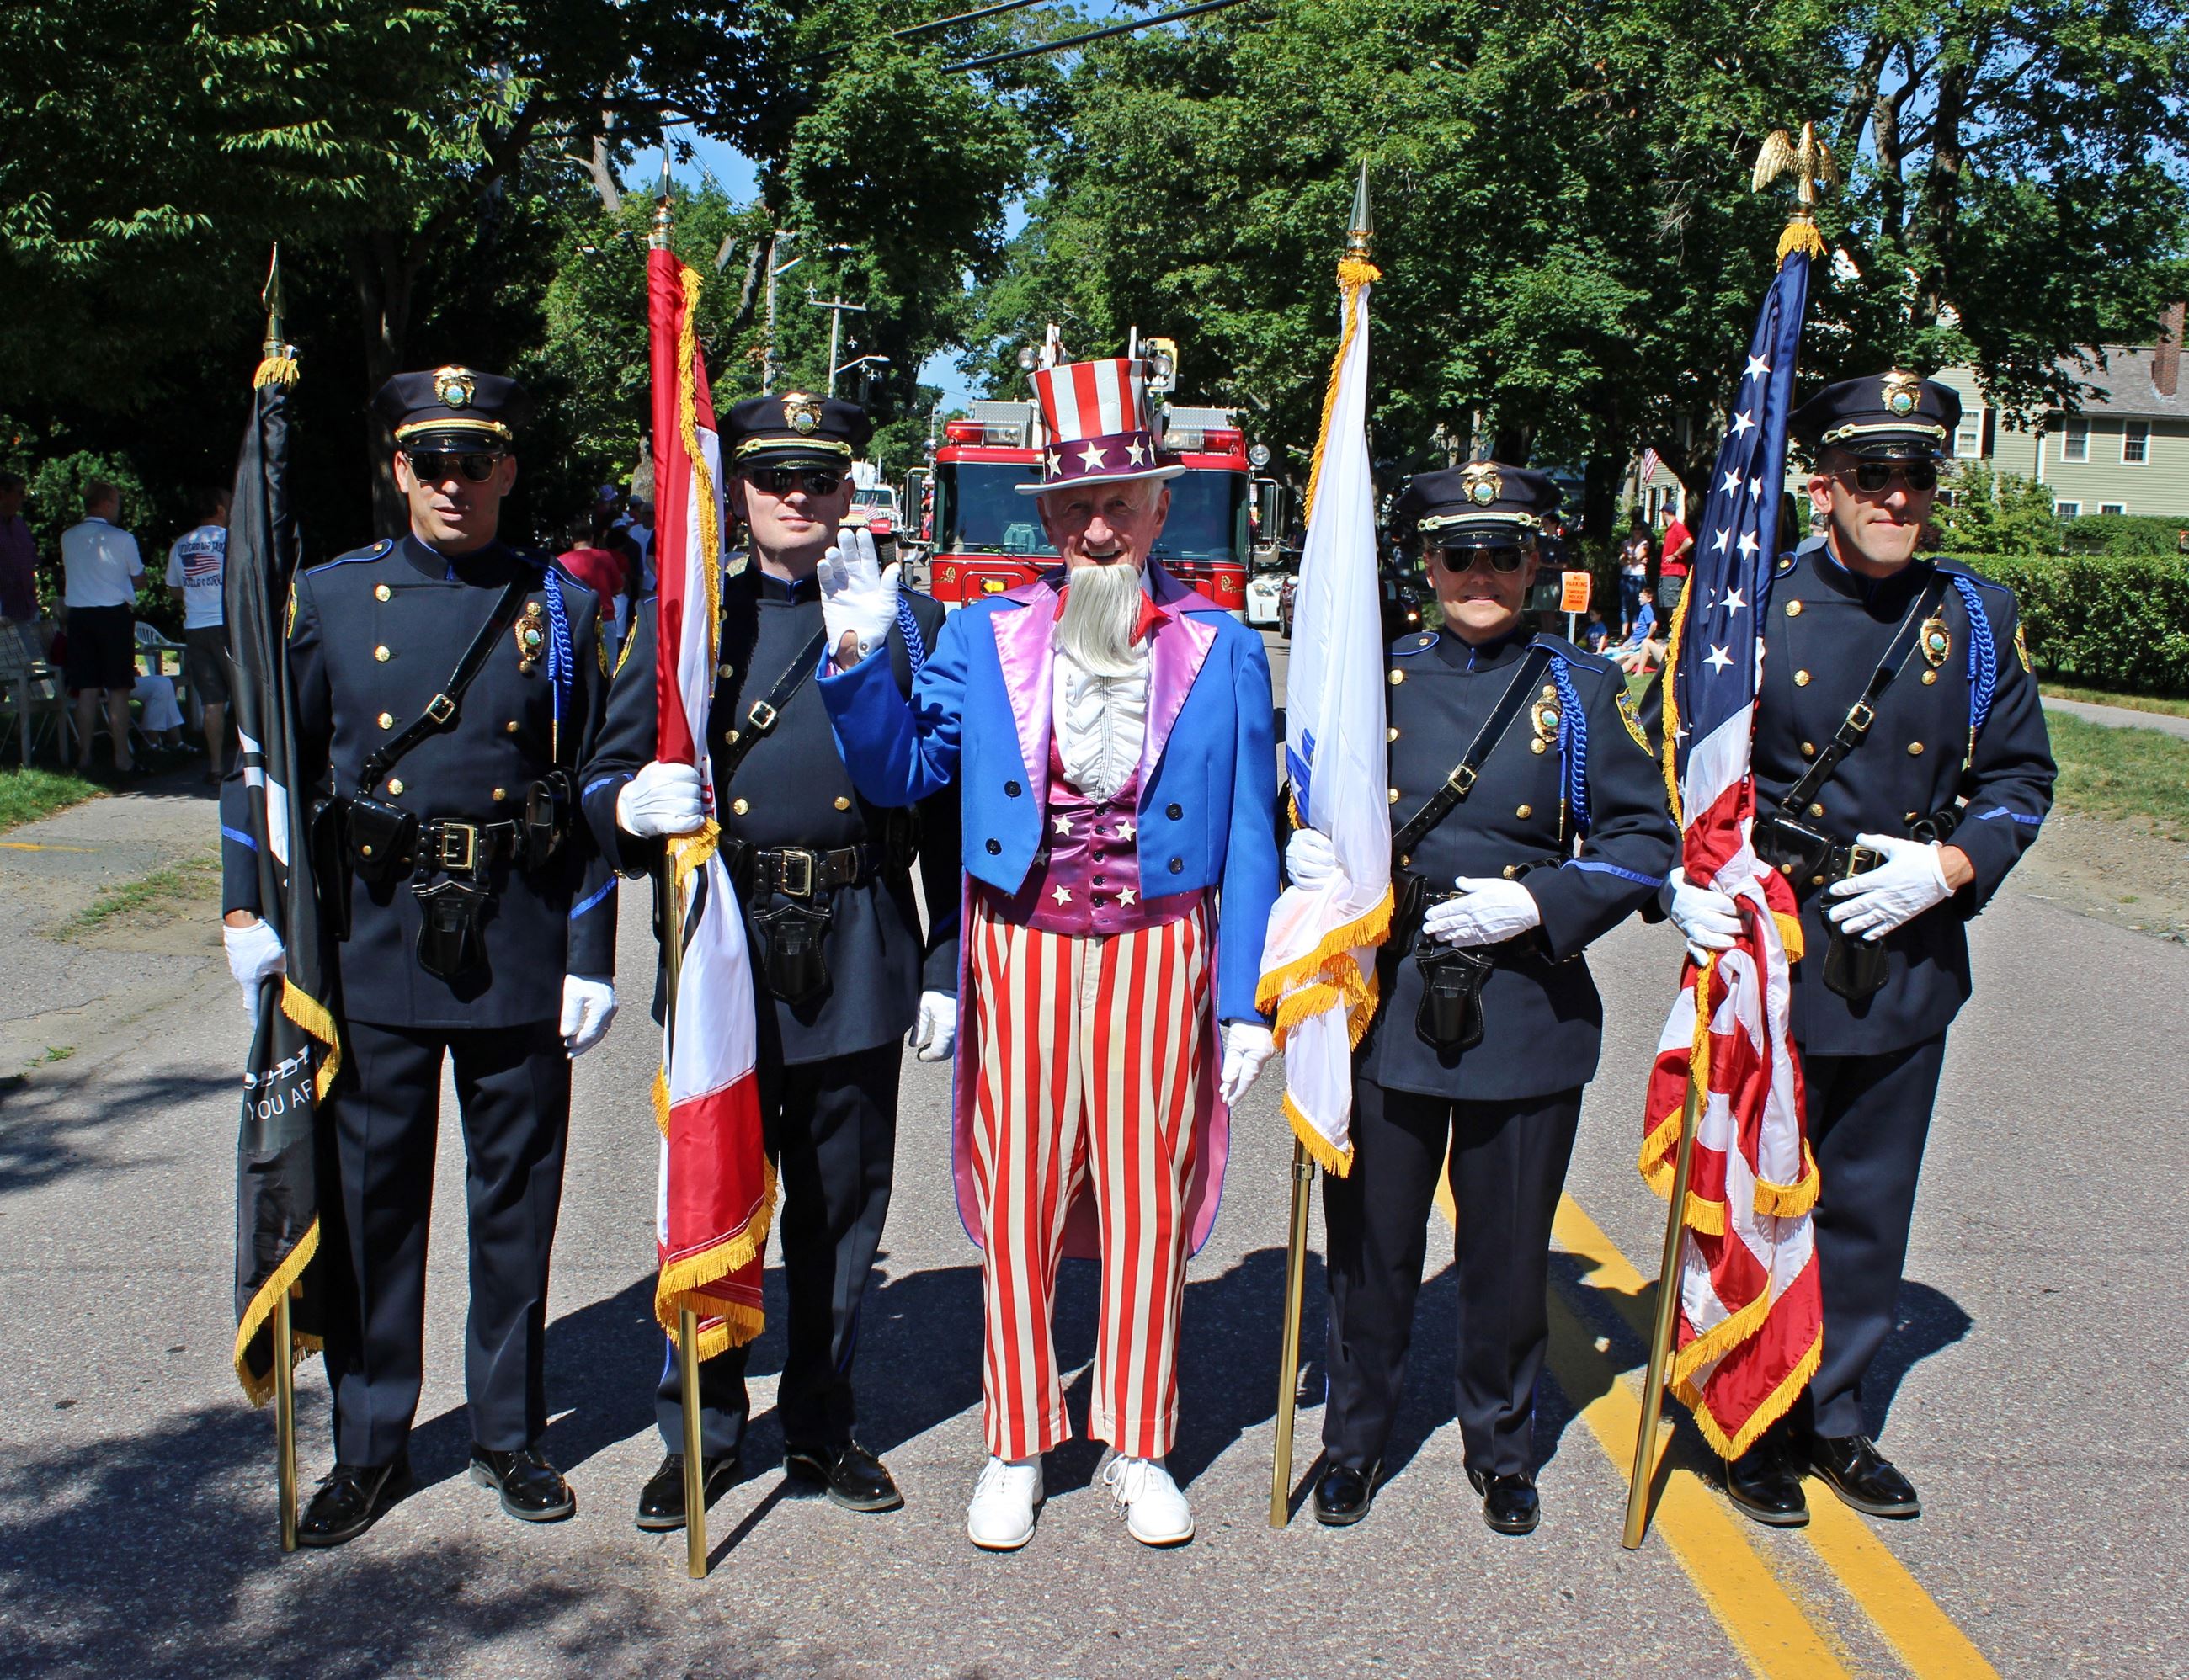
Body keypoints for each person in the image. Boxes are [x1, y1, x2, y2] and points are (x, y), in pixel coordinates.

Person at [815, 354, 1281, 1551]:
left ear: (1160, 506)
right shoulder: (982, 635)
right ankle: (1018, 1441)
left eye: (1119, 501)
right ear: (1047, 515)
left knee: (1145, 1200)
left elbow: (1246, 833)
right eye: (1074, 506)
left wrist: (1246, 1003)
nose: (1097, 527)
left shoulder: (1224, 647)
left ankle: (1136, 1438)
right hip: (1018, 950)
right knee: (1017, 1199)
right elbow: (901, 776)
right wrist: (864, 665)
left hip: (1161, 948)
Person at [217, 365, 619, 1548]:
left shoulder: (567, 607)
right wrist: (253, 907)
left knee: (514, 1200)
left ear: (507, 470)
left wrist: (590, 948)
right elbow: (264, 758)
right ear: (399, 469)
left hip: (515, 931)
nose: (453, 483)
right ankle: (373, 1442)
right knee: (373, 1202)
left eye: (475, 461)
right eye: (430, 463)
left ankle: (508, 1431)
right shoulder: (330, 602)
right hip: (374, 934)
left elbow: (596, 781)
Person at [1660, 370, 2054, 1527]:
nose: (1895, 497)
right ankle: (1749, 1419)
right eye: (1871, 477)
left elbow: (2021, 778)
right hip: (1773, 944)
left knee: (1870, 1203)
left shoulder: (1975, 619)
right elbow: (1683, 757)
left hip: (1902, 945)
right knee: (1759, 1193)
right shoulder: (1753, 611)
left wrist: (1954, 865)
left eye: (1916, 477)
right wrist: (1693, 882)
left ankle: (1835, 1418)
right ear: (1823, 487)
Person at [582, 392, 960, 1532]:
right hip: (726, 948)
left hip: (854, 936)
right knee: (713, 1193)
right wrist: (631, 814)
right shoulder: (690, 620)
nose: (799, 498)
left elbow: (938, 804)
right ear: (734, 494)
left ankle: (822, 1424)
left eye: (822, 480)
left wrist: (944, 960)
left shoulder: (912, 622)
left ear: (850, 492)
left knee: (841, 1210)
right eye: (773, 480)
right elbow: (600, 787)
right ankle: (698, 1429)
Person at [1286, 462, 1675, 1535]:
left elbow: (1647, 842)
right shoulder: (1369, 682)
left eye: (1504, 552)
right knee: (1371, 1251)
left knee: (1506, 1260)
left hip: (1522, 1003)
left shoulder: (1583, 690)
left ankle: (1501, 1445)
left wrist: (1540, 904)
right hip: (1387, 998)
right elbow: (1294, 803)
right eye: (1458, 553)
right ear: (1422, 565)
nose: (1480, 574)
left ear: (1535, 561)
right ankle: (1353, 1440)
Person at [59, 480, 145, 774]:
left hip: (80, 616)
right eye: (117, 502)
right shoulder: (122, 538)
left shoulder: (68, 537)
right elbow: (138, 576)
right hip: (113, 616)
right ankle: (122, 758)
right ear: (106, 503)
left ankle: (84, 757)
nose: (118, 508)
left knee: (87, 689)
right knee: (119, 688)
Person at [166, 486, 233, 778]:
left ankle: (216, 766)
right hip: (227, 625)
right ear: (220, 508)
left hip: (196, 627)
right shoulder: (232, 541)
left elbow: (173, 590)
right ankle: (249, 764)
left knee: (212, 702)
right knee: (244, 696)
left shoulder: (181, 544)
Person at [0, 472, 39, 628]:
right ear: (3, 494)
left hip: (28, 610)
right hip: (4, 615)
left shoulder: (20, 524)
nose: (24, 497)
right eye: (20, 493)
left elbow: (31, 561)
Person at [1656, 503, 1694, 619]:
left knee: (1673, 604)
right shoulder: (1670, 529)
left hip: (1674, 573)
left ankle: (1676, 632)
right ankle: (1672, 631)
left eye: (1662, 513)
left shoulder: (1678, 527)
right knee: (1668, 603)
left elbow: (1689, 541)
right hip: (1667, 573)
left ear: (1665, 513)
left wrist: (1675, 555)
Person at [1616, 510, 1652, 635]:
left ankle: (1636, 632)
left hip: (1638, 576)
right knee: (1624, 605)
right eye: (1634, 528)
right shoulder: (1625, 543)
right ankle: (1624, 633)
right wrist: (1634, 559)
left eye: (1639, 528)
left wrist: (1631, 557)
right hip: (1626, 576)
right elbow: (1621, 560)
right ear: (1631, 530)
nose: (1637, 531)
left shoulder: (1644, 543)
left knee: (1637, 604)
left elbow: (1639, 556)